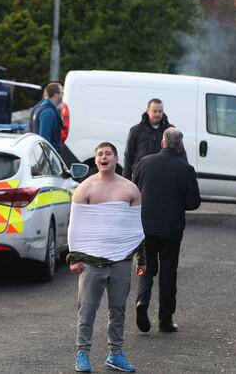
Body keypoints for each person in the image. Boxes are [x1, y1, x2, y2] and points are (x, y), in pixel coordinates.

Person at [67, 142, 146, 373]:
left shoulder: (130, 189)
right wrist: (74, 257)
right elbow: (75, 227)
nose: (104, 157)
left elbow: (136, 227)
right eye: (100, 154)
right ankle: (82, 354)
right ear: (95, 160)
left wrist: (141, 259)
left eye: (108, 154)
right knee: (87, 310)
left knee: (118, 309)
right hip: (92, 261)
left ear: (116, 158)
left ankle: (116, 354)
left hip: (121, 259)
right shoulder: (85, 188)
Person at [132, 127, 200, 333]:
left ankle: (142, 302)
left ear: (162, 142)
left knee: (145, 267)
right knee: (168, 273)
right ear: (180, 145)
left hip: (145, 226)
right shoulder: (185, 169)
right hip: (171, 229)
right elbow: (194, 202)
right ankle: (165, 319)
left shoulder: (145, 162)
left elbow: (135, 190)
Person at [123, 98, 181, 181]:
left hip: (165, 176)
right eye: (154, 111)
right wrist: (126, 180)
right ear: (147, 111)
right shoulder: (136, 130)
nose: (157, 114)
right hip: (141, 177)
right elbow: (128, 156)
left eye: (160, 111)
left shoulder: (171, 130)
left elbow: (180, 153)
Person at [29, 82, 63, 152]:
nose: (63, 95)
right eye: (62, 92)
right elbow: (44, 141)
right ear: (56, 95)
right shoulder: (48, 112)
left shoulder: (39, 107)